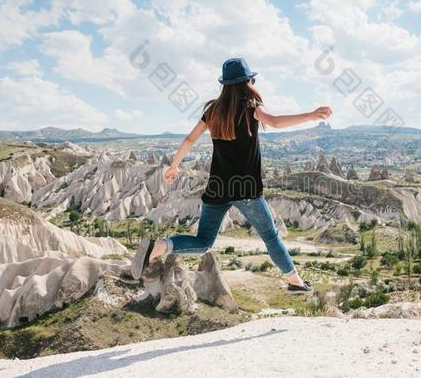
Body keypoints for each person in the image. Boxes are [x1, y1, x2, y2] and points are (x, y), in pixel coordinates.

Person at [131, 57, 332, 293]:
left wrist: (174, 166)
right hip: (246, 190)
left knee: (203, 242)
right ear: (246, 81)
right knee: (270, 236)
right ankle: (294, 280)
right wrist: (310, 115)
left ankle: (159, 247)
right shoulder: (250, 107)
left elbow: (189, 139)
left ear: (225, 84)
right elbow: (275, 122)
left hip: (217, 188)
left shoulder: (212, 110)